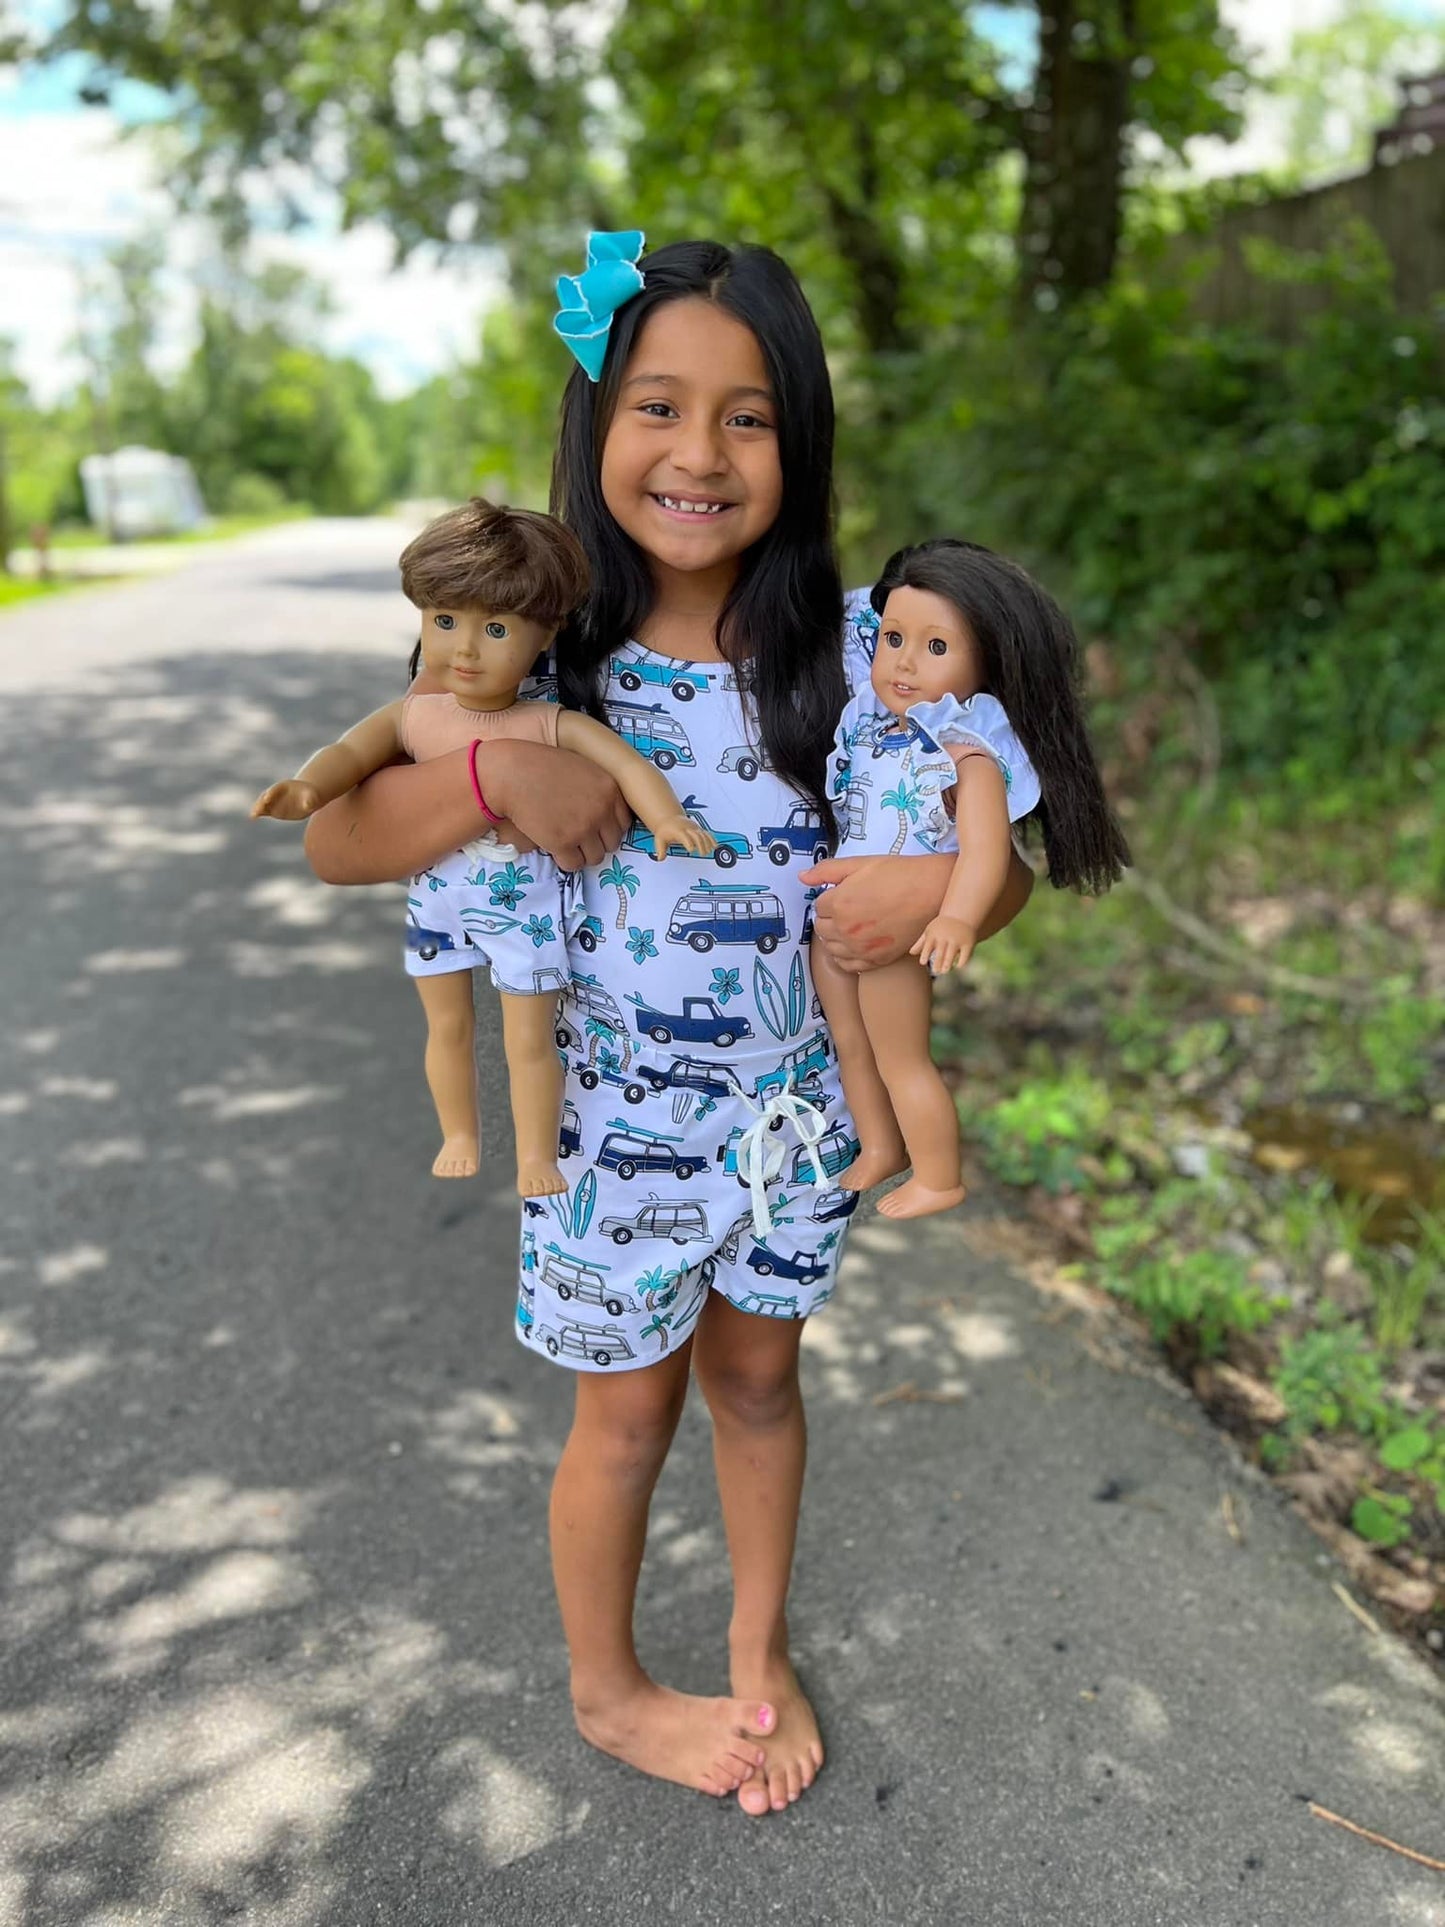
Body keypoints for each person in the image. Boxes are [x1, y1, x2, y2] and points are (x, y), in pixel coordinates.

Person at [304, 234, 1034, 1817]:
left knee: (759, 1386)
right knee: (624, 1411)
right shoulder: (522, 637)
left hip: (789, 1130)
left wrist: (926, 891)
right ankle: (610, 1686)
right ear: (594, 426)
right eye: (656, 405)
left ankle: (755, 1646)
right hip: (610, 1136)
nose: (699, 453)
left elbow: (994, 869)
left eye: (750, 415)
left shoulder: (866, 651)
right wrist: (495, 774)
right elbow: (340, 838)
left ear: (804, 439)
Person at [250, 499, 714, 1191]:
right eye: (444, 621)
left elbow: (625, 764)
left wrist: (667, 818)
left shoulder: (547, 719)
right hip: (437, 906)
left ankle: (534, 1155)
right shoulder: (416, 715)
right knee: (446, 1027)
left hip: (521, 911)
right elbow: (350, 750)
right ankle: (459, 1130)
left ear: (543, 635)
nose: (463, 649)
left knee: (527, 1040)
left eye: (494, 628)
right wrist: (309, 788)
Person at [815, 539, 1130, 1220]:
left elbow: (985, 851)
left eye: (934, 647)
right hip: (839, 912)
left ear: (983, 664)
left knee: (900, 1055)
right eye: (893, 637)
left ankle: (937, 1174)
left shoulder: (970, 755)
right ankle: (878, 1144)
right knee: (850, 1040)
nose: (901, 659)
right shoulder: (871, 730)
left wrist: (954, 916)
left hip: (895, 931)